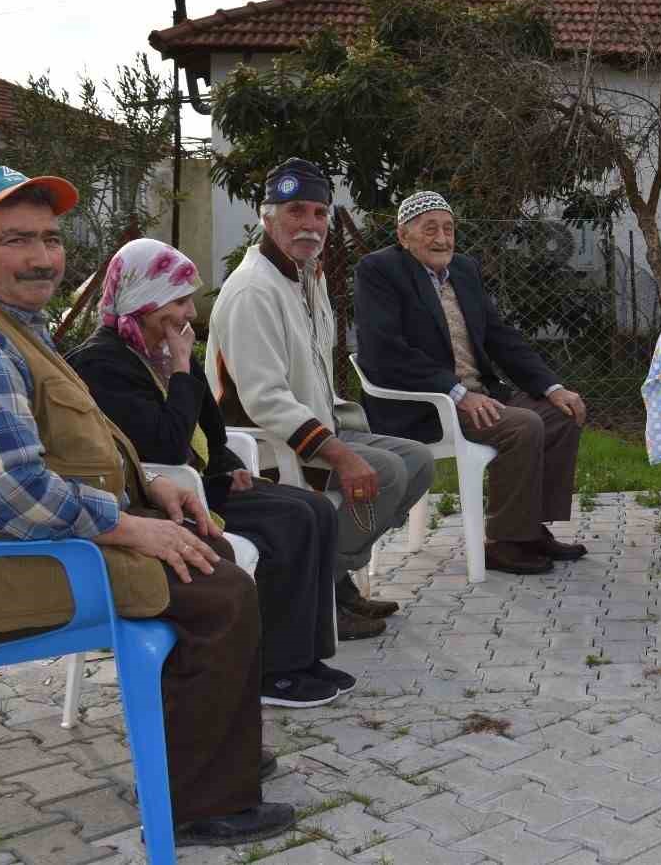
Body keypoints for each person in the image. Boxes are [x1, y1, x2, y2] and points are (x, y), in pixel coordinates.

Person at [0, 167, 293, 847]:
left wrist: (150, 488)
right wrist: (130, 525)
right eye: (16, 240)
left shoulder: (11, 322)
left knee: (209, 554)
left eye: (50, 238)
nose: (43, 258)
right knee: (218, 593)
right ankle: (201, 804)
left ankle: (206, 754)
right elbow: (5, 488)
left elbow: (76, 441)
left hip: (30, 545)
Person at [68, 237, 362, 704]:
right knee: (288, 523)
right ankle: (273, 673)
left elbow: (210, 424)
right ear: (143, 298)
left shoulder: (158, 348)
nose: (188, 313)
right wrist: (183, 367)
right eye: (179, 300)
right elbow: (163, 441)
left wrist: (227, 462)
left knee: (313, 510)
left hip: (202, 484)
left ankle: (303, 657)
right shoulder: (104, 362)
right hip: (159, 499)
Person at [205, 158, 434, 638]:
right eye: (295, 212)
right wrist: (342, 454)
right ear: (267, 219)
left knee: (417, 460)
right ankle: (317, 590)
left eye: (319, 213)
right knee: (386, 473)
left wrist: (345, 431)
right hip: (267, 444)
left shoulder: (307, 276)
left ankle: (331, 577)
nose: (310, 225)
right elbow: (265, 399)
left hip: (313, 427)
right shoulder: (253, 289)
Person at [353, 191, 587, 576]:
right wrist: (456, 393)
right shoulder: (378, 271)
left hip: (476, 397)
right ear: (403, 235)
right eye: (430, 229)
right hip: (423, 406)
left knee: (561, 413)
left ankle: (528, 530)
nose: (442, 238)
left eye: (448, 228)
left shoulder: (463, 270)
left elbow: (499, 336)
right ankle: (501, 543)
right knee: (524, 425)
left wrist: (551, 386)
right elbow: (385, 352)